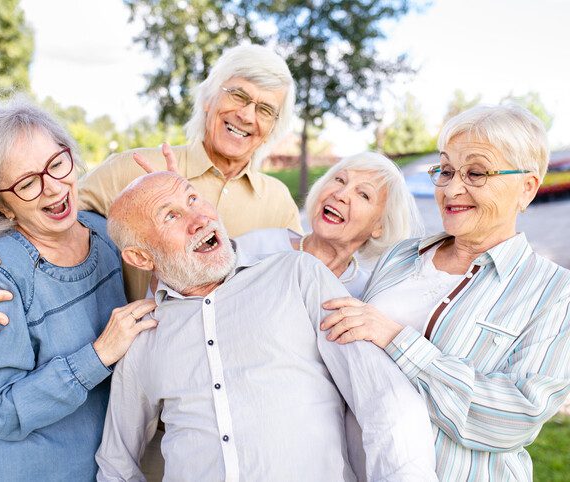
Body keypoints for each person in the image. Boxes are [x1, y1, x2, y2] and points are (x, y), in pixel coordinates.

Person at [96, 171, 437, 481]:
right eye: (171, 215)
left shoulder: (297, 275)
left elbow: (383, 398)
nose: (199, 219)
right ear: (141, 258)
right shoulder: (143, 335)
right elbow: (115, 464)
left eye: (193, 198)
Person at [0, 44, 302, 334]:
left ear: (273, 127)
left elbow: (301, 290)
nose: (246, 115)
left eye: (265, 109)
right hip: (138, 378)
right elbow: (34, 211)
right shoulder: (128, 170)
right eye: (238, 95)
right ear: (208, 99)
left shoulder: (278, 203)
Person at [321, 104, 570, 480]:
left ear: (527, 187)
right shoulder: (401, 256)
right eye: (446, 170)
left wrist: (397, 340)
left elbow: (516, 417)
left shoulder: (553, 292)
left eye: (476, 172)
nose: (453, 188)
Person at [0, 98, 157, 481]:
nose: (53, 189)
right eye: (26, 183)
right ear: (0, 205)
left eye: (57, 164)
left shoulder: (104, 233)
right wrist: (99, 353)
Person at [235, 151, 423, 297]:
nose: (340, 195)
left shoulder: (364, 295)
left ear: (380, 227)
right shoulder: (257, 246)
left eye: (363, 194)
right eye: (340, 180)